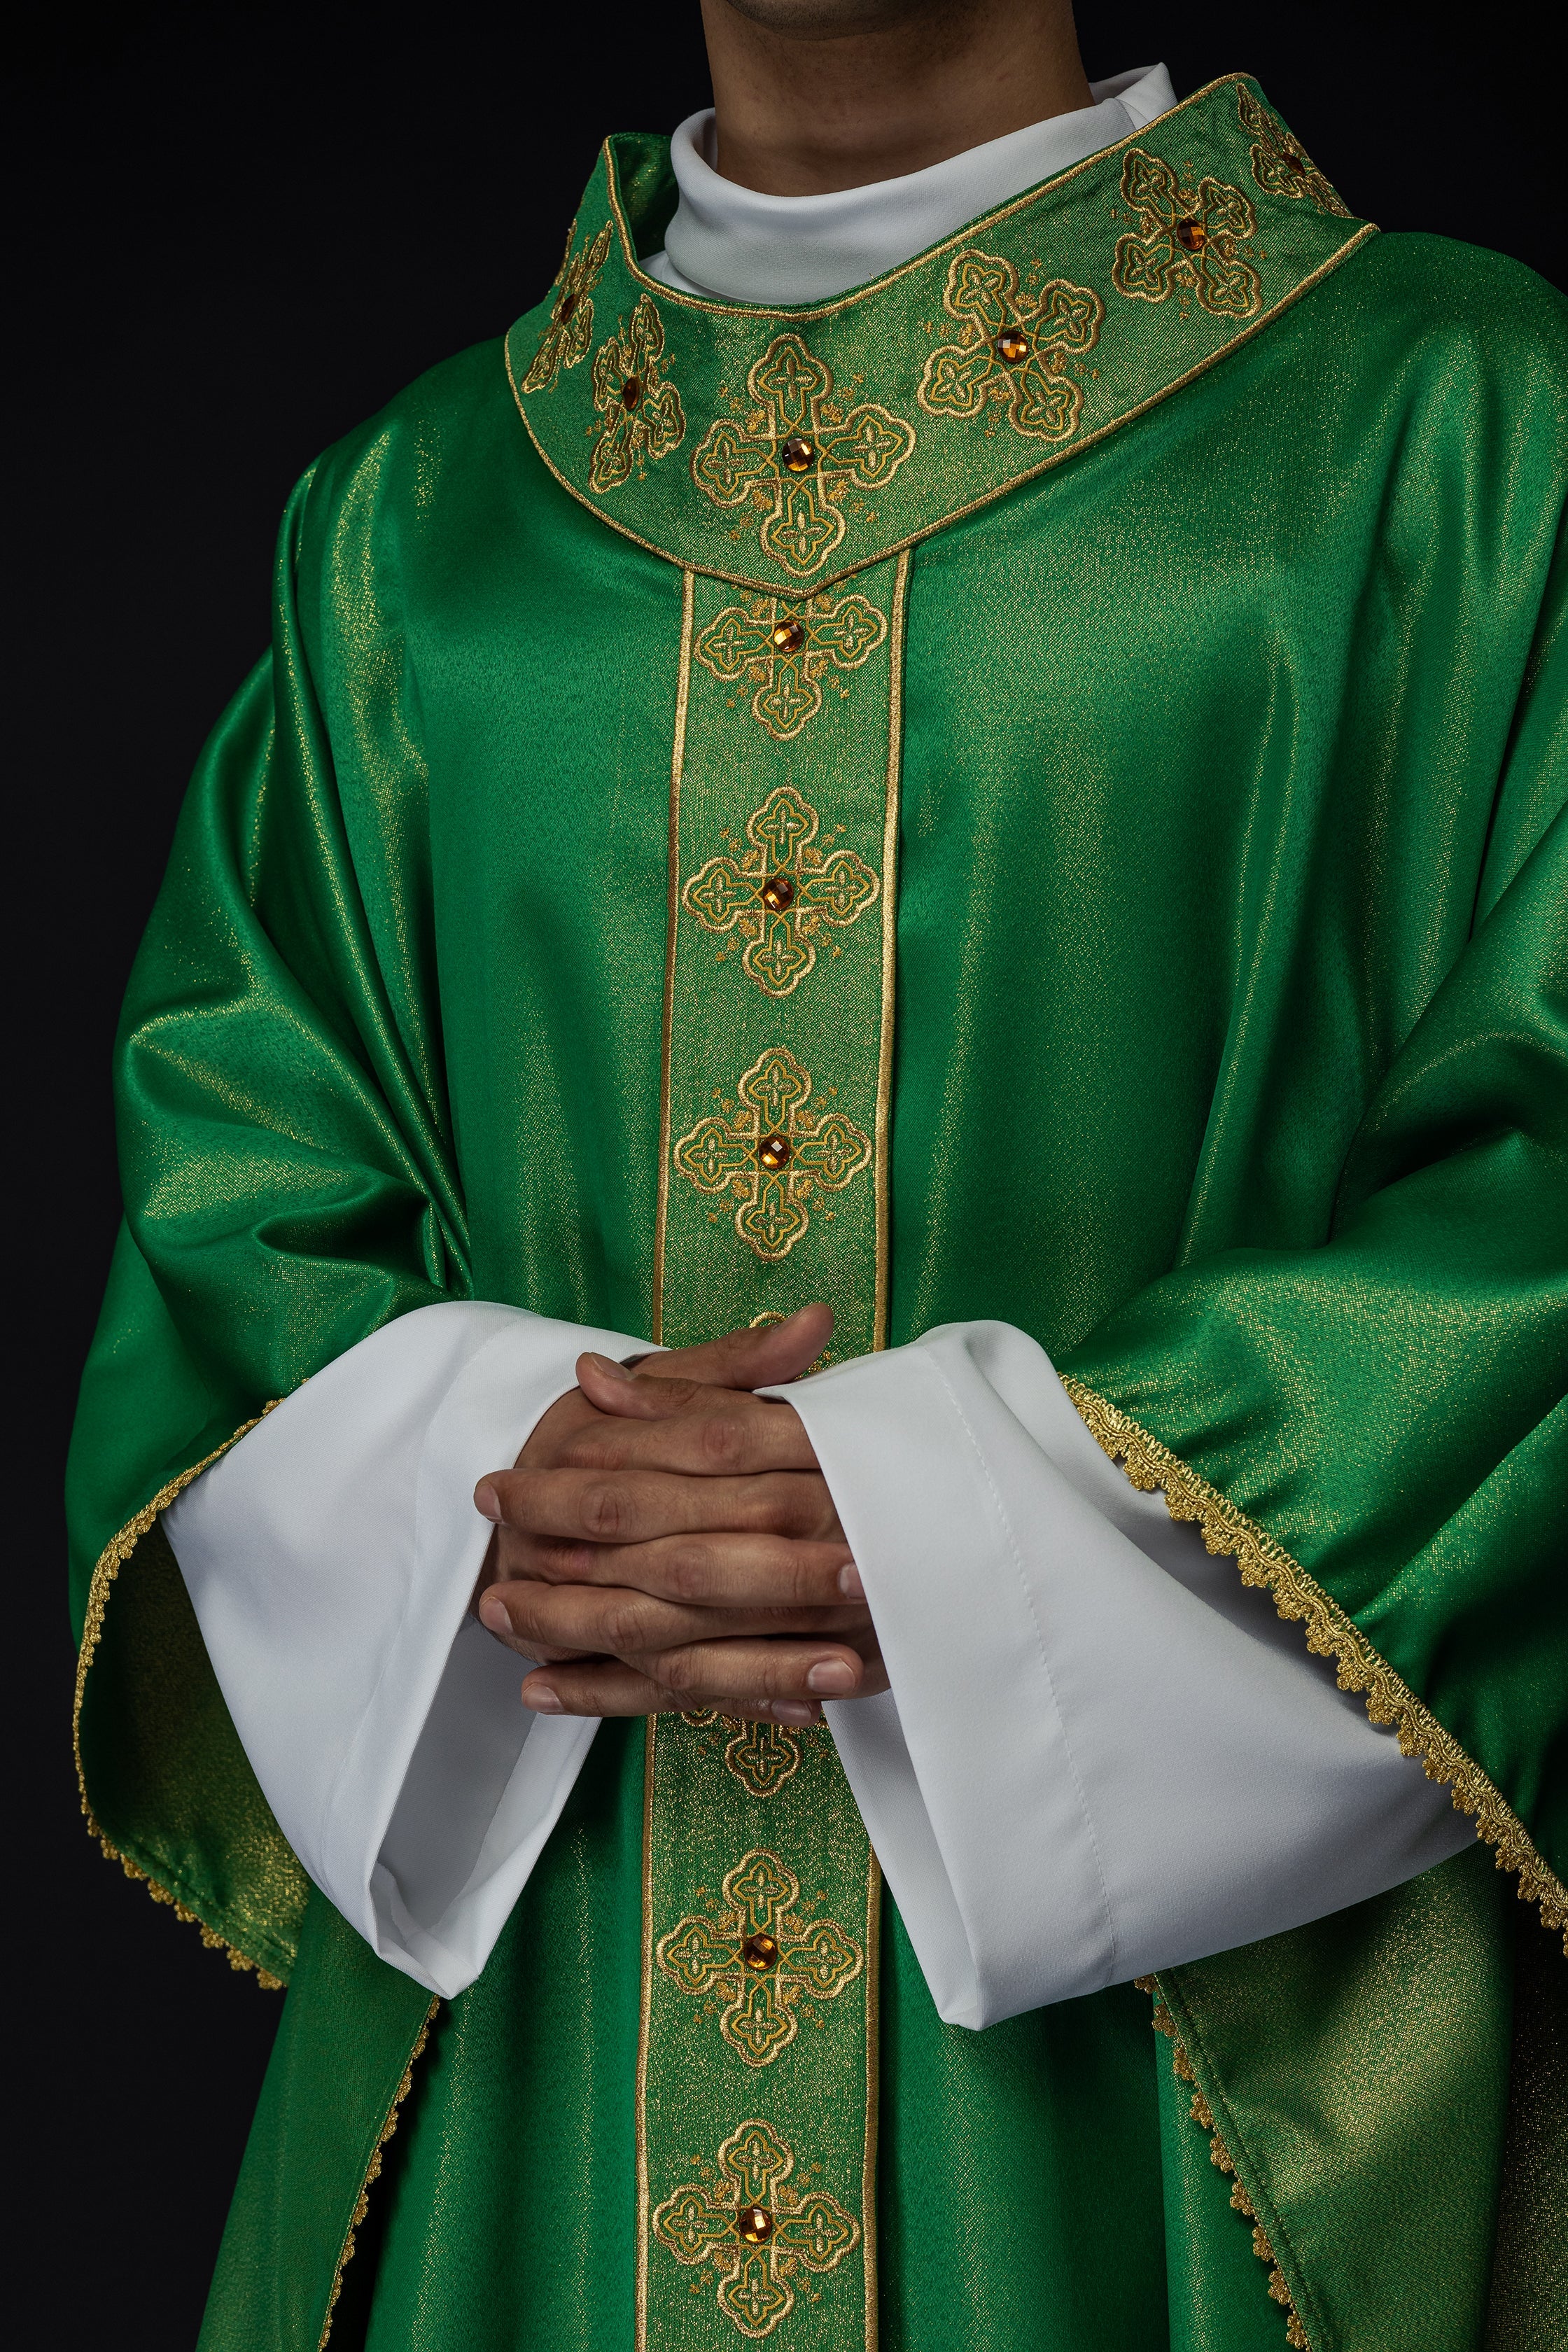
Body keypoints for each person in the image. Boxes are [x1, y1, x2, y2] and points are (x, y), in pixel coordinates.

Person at [67, 3, 1566, 2346]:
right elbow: (240, 1199)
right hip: (532, 2053)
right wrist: (492, 1469)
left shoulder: (1459, 426)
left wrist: (975, 1522)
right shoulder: (409, 529)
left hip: (1208, 2086)